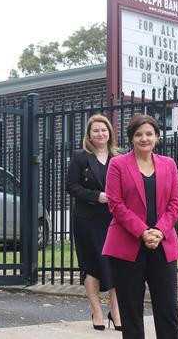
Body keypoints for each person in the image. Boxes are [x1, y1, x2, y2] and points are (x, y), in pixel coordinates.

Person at [102, 113, 178, 339]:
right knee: (131, 311)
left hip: (162, 244)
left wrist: (159, 231)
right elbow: (115, 203)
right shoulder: (117, 164)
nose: (144, 138)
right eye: (138, 134)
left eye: (149, 134)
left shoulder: (169, 164)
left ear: (157, 136)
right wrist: (142, 231)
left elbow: (175, 203)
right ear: (131, 138)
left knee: (168, 308)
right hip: (127, 246)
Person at [65, 114, 122, 331]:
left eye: (104, 130)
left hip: (113, 219)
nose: (100, 134)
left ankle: (116, 312)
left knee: (114, 265)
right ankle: (97, 312)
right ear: (89, 134)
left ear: (110, 133)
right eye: (96, 130)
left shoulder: (119, 157)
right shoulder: (80, 156)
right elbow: (71, 186)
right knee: (92, 267)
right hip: (87, 220)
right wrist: (95, 196)